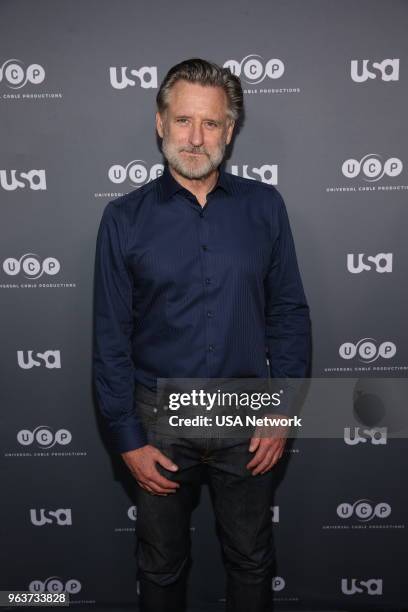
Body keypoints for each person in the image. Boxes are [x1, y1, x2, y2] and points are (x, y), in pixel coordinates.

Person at [93, 58, 311, 612]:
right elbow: (111, 336)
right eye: (183, 120)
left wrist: (283, 410)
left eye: (211, 123)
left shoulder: (266, 207)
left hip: (246, 412)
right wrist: (128, 439)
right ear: (161, 123)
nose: (196, 137)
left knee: (252, 558)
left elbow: (288, 312)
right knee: (160, 568)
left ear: (230, 130)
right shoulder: (123, 219)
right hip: (159, 417)